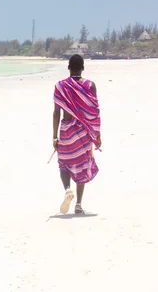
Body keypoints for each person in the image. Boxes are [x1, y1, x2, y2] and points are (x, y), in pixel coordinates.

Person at [52, 54, 101, 214]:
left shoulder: (60, 86)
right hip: (84, 130)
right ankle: (78, 204)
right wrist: (97, 135)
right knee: (83, 164)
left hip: (66, 130)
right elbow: (94, 113)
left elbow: (56, 113)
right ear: (83, 68)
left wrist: (54, 136)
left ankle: (67, 190)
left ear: (68, 67)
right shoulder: (90, 85)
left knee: (64, 163)